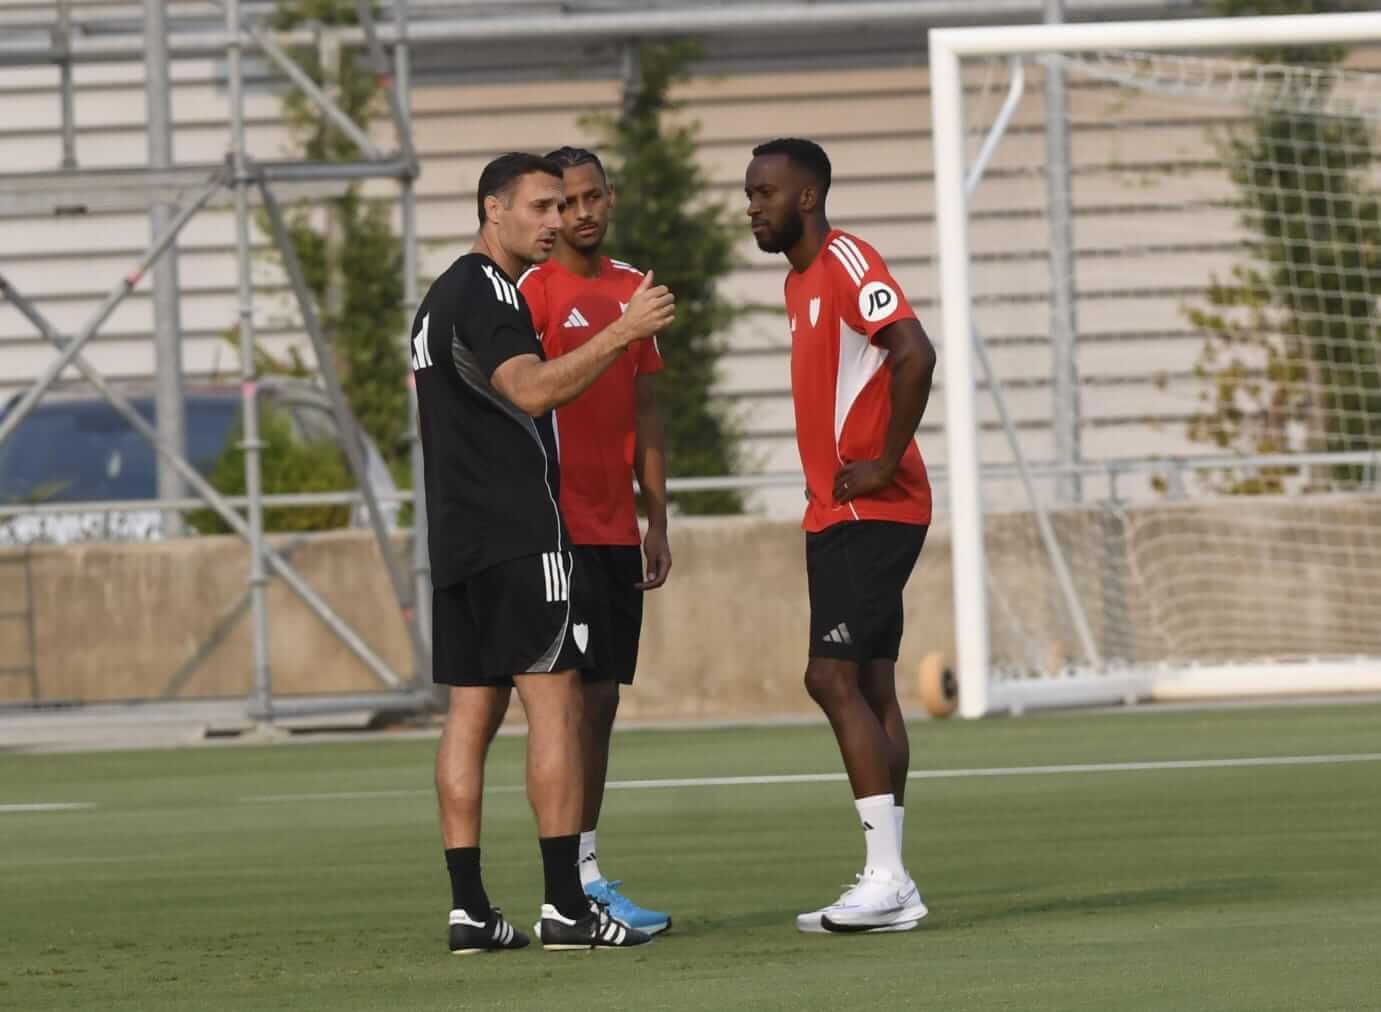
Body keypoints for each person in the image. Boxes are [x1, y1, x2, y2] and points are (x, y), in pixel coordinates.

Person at [414, 151, 674, 954]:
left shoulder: (439, 296)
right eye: (540, 207)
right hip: (520, 534)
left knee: (470, 711)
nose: (556, 222)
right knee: (556, 703)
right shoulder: (491, 291)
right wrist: (622, 331)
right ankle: (567, 904)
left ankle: (470, 911)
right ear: (494, 210)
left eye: (563, 207)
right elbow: (529, 390)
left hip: (456, 535)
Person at [744, 137, 937, 934]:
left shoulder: (848, 260)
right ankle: (892, 881)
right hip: (840, 511)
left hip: (870, 509)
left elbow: (913, 352)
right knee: (870, 686)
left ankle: (886, 877)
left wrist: (882, 458)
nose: (751, 207)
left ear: (807, 198)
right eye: (748, 193)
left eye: (764, 193)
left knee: (828, 679)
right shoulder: (798, 283)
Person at [515, 145, 673, 936]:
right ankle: (566, 884)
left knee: (603, 702)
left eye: (590, 197)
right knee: (565, 702)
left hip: (615, 528)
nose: (579, 212)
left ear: (609, 199)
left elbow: (647, 411)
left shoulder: (632, 290)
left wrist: (658, 516)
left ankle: (587, 870)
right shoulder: (530, 292)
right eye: (564, 200)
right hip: (555, 528)